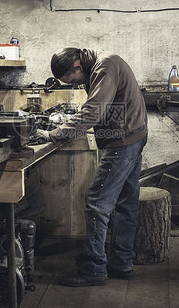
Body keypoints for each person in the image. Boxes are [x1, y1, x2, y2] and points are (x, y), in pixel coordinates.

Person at [35, 48, 148, 287]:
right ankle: (121, 261)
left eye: (73, 80)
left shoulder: (104, 66)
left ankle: (94, 268)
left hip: (123, 141)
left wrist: (55, 134)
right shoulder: (102, 64)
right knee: (126, 202)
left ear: (77, 66)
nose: (76, 85)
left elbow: (93, 111)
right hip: (134, 134)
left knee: (96, 203)